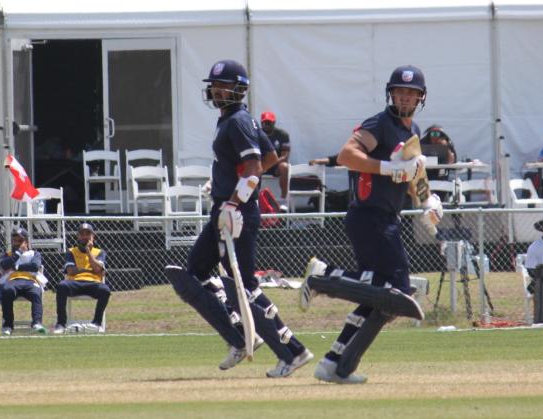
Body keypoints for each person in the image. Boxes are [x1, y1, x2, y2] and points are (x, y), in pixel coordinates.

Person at [166, 59, 312, 378]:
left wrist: (233, 201)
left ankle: (293, 350)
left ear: (239, 89)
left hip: (237, 210)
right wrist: (221, 181)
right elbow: (271, 158)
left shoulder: (238, 121)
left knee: (246, 287)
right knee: (198, 270)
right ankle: (241, 332)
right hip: (226, 205)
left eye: (225, 85)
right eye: (215, 85)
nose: (218, 90)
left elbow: (256, 168)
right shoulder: (232, 119)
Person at [300, 65, 433, 384]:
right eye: (400, 92)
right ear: (391, 93)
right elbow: (347, 154)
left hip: (385, 217)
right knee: (398, 290)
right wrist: (386, 167)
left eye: (411, 93)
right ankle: (325, 275)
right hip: (370, 217)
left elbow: (412, 175)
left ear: (420, 98)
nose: (404, 98)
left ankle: (334, 364)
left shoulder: (409, 130)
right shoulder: (381, 123)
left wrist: (429, 201)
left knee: (379, 299)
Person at [53, 222, 111, 334]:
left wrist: (89, 253)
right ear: (78, 236)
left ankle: (96, 323)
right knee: (61, 286)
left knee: (105, 290)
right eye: (82, 234)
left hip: (93, 283)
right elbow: (70, 271)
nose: (85, 237)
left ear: (93, 236)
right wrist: (89, 270)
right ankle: (61, 324)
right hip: (75, 282)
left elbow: (98, 270)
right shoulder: (71, 251)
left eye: (88, 234)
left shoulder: (99, 252)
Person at [0, 227, 47, 335]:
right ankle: (7, 325)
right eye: (15, 240)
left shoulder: (34, 253)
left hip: (30, 281)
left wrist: (16, 267)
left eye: (20, 240)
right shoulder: (8, 255)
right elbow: (4, 265)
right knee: (7, 291)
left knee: (36, 293)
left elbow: (35, 266)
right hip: (12, 281)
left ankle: (37, 323)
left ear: (26, 241)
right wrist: (17, 254)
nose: (17, 243)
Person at [260, 111, 291, 207]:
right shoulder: (256, 134)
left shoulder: (283, 135)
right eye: (264, 123)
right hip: (261, 165)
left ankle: (283, 200)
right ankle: (253, 199)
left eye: (269, 123)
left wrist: (271, 163)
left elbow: (285, 156)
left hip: (275, 166)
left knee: (284, 166)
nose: (266, 125)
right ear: (261, 123)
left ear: (274, 123)